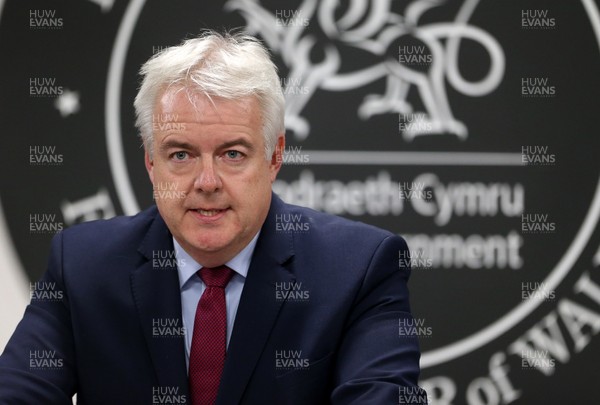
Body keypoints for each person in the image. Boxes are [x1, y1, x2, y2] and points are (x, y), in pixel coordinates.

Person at [0, 31, 427, 404]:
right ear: (151, 162)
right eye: (181, 154)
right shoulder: (81, 264)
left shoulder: (360, 268)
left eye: (232, 154)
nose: (207, 181)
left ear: (275, 156)